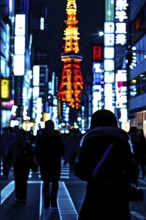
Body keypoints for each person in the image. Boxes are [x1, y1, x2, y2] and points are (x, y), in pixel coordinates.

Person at [74, 109, 139, 220]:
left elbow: (80, 170)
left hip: (95, 194)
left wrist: (95, 178)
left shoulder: (88, 141)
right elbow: (131, 169)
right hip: (118, 195)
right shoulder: (122, 140)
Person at [35, 119, 65, 208]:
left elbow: (37, 150)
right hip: (54, 161)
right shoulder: (57, 136)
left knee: (47, 182)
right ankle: (52, 201)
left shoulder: (41, 136)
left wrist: (39, 159)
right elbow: (62, 150)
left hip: (45, 162)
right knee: (53, 182)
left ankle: (47, 201)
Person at [6, 128, 31, 204]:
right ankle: (23, 197)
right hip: (24, 164)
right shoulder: (27, 143)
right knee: (23, 180)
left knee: (18, 180)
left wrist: (8, 163)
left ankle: (18, 197)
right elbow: (31, 154)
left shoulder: (13, 143)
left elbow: (9, 154)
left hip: (17, 163)